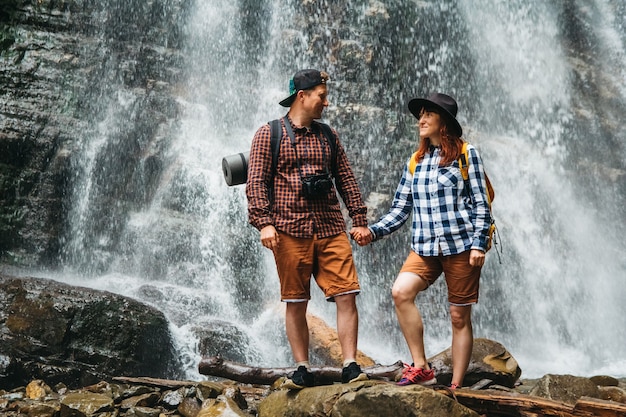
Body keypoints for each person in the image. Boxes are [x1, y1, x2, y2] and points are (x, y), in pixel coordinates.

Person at [351, 93, 491, 390]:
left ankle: (455, 386)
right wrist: (373, 231)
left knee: (458, 316)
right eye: (421, 115)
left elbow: (481, 204)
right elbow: (401, 209)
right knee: (401, 292)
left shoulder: (467, 154)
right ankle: (422, 367)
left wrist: (480, 243)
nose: (421, 120)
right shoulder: (416, 161)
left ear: (444, 123)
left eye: (428, 114)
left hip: (462, 246)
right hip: (425, 247)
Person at [246, 69, 371, 389]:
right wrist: (264, 223)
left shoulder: (328, 135)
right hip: (288, 229)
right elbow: (256, 181)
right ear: (302, 96)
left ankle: (350, 364)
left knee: (347, 295)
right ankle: (301, 367)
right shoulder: (268, 134)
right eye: (321, 96)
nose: (326, 103)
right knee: (295, 300)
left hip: (330, 227)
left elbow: (345, 178)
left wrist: (358, 218)